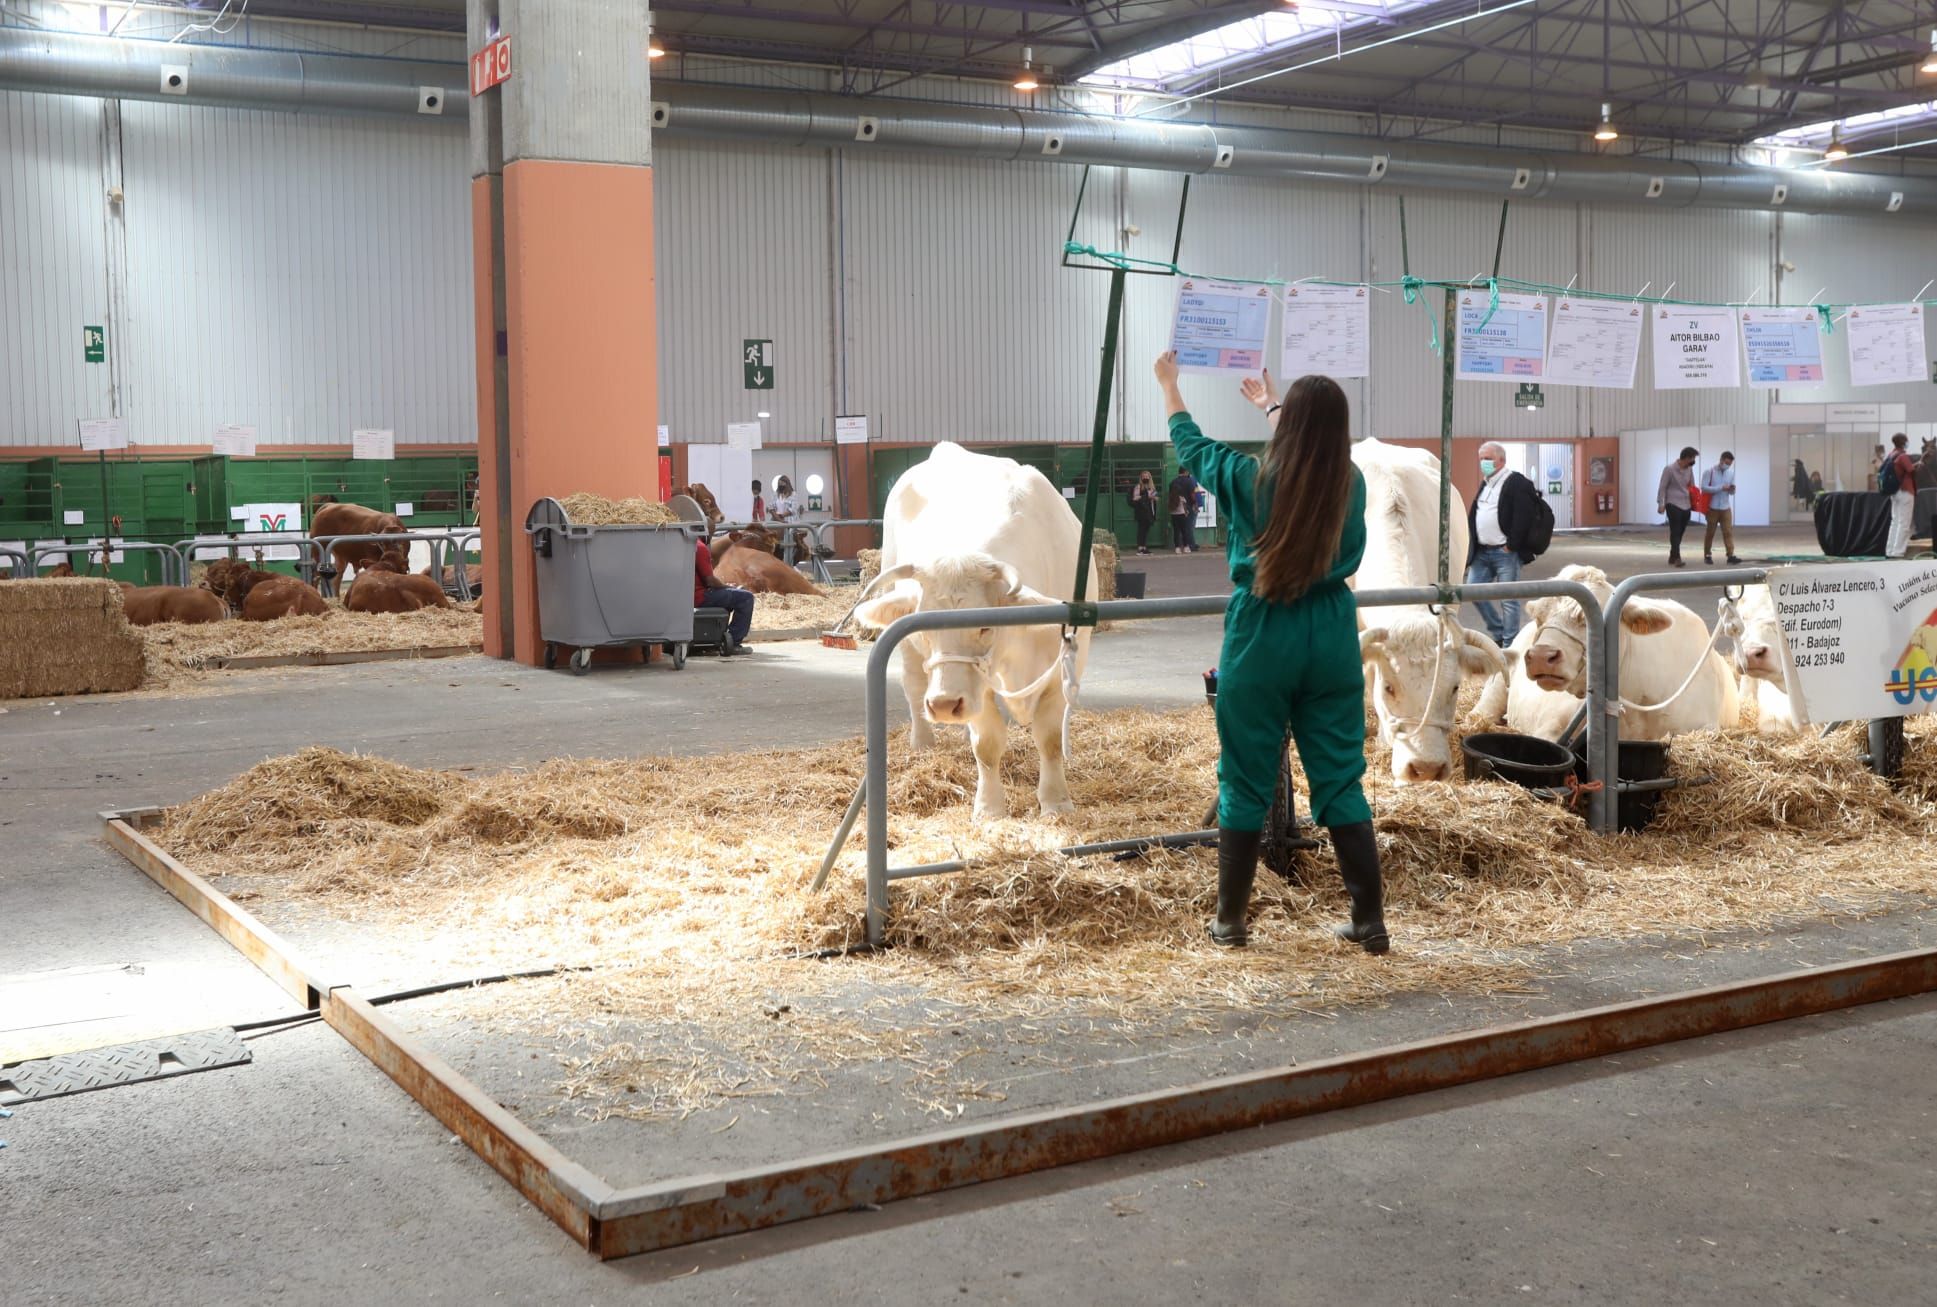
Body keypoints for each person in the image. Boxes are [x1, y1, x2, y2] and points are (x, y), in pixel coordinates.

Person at [1156, 353, 1386, 954]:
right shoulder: (1352, 482)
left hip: (1262, 628)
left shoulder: (1246, 477)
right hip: (1332, 629)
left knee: (1245, 777)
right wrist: (1274, 406)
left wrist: (1170, 386)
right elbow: (1309, 453)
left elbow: (1191, 444)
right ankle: (1370, 920)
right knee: (1340, 776)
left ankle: (1231, 920)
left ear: (1289, 428)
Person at [1464, 442, 1540, 647]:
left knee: (1508, 600)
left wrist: (1511, 545)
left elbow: (1523, 516)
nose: (1483, 463)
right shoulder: (1486, 483)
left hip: (1505, 553)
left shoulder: (1516, 482)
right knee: (1472, 590)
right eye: (1481, 459)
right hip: (1482, 552)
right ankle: (1498, 631)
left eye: (1488, 458)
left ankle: (1510, 644)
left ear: (1502, 460)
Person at [694, 537, 754, 654]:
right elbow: (710, 581)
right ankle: (734, 642)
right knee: (745, 598)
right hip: (699, 596)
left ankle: (715, 638)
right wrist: (729, 587)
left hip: (685, 596)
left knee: (729, 596)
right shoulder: (700, 547)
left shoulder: (684, 544)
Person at [1656, 446, 1698, 568]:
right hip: (1672, 503)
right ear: (1686, 458)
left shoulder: (1689, 469)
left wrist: (1695, 499)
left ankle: (1672, 555)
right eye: (1692, 458)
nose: (1693, 461)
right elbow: (1662, 487)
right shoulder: (1669, 469)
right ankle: (1677, 558)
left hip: (1686, 504)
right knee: (1675, 530)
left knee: (1681, 531)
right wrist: (1661, 504)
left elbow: (1692, 485)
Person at [1701, 451, 1741, 566]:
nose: (1728, 466)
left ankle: (1730, 555)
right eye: (1727, 463)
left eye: (1730, 464)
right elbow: (1704, 488)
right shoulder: (1709, 472)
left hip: (1725, 507)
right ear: (1721, 460)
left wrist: (1732, 489)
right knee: (1710, 532)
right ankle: (1707, 555)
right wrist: (1720, 487)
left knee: (1728, 532)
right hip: (1712, 507)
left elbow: (1732, 492)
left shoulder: (1731, 473)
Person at [1884, 432, 1918, 559]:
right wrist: (1918, 466)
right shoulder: (1903, 456)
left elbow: (1903, 470)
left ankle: (1890, 550)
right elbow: (1911, 471)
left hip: (1894, 492)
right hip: (1905, 491)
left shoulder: (1891, 455)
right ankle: (1899, 552)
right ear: (1903, 442)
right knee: (1904, 523)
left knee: (1895, 521)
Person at [1167, 469, 1199, 553]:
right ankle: (1189, 545)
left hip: (1174, 510)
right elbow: (1192, 495)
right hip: (1187, 507)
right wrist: (1195, 504)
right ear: (1186, 471)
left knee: (1177, 529)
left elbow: (1170, 496)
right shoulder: (1189, 481)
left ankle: (1178, 546)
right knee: (1188, 528)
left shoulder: (1173, 482)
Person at [1128, 471, 1160, 554]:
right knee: (1141, 529)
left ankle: (1144, 547)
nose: (1146, 477)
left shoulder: (1151, 488)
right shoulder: (1138, 487)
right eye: (1144, 476)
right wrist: (1147, 497)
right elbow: (1135, 498)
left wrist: (1155, 498)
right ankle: (1140, 548)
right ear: (1141, 478)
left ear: (1150, 477)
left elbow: (1154, 496)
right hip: (1141, 511)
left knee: (1146, 530)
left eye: (1147, 476)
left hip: (1150, 511)